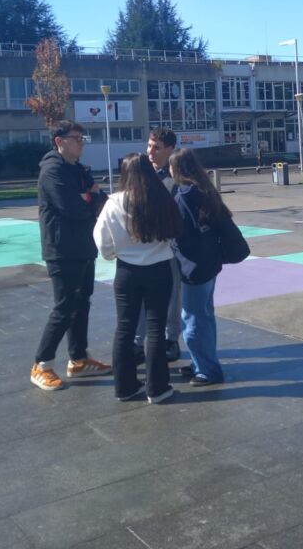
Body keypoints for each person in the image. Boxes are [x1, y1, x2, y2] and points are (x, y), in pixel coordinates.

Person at [93, 153, 183, 404]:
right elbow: (175, 230)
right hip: (160, 268)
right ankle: (157, 388)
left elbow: (102, 241)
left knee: (125, 328)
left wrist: (114, 253)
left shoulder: (114, 202)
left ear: (124, 174)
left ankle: (125, 387)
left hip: (127, 272)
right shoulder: (162, 198)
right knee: (156, 328)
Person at [31, 121, 112, 392]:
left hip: (84, 246)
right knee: (64, 307)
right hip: (62, 249)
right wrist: (89, 198)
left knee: (82, 304)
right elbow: (73, 208)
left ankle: (78, 358)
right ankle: (41, 364)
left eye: (82, 139)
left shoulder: (78, 170)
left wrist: (89, 197)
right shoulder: (52, 171)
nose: (81, 143)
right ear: (59, 141)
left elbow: (103, 201)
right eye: (76, 138)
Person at [168, 148, 228, 387]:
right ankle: (201, 362)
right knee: (205, 316)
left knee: (192, 320)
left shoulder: (183, 196)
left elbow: (182, 234)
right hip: (209, 264)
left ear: (176, 169)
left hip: (193, 267)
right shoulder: (205, 190)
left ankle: (206, 370)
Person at [132, 128, 183, 364]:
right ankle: (137, 342)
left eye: (157, 147)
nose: (150, 152)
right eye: (149, 146)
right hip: (144, 247)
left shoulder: (176, 178)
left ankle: (171, 339)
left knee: (173, 295)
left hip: (170, 247)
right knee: (142, 297)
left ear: (170, 150)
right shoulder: (141, 174)